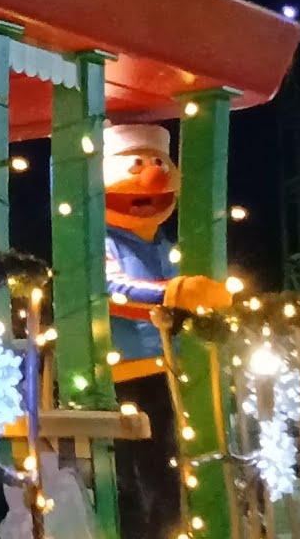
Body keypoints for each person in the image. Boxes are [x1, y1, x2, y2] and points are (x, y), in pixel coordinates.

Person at [100, 124, 232, 539]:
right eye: (136, 166)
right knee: (128, 475)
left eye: (158, 164)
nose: (152, 176)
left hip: (163, 368)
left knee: (168, 467)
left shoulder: (160, 244)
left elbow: (177, 287)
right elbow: (111, 287)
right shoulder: (102, 239)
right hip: (118, 374)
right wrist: (173, 292)